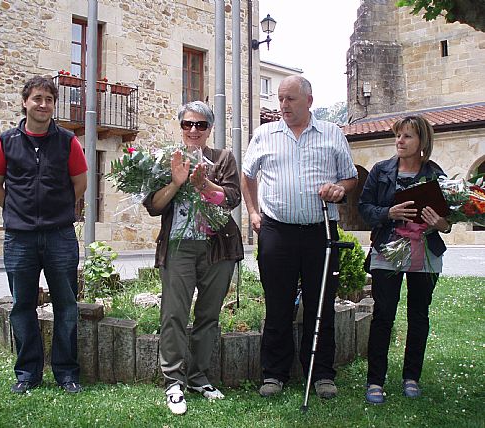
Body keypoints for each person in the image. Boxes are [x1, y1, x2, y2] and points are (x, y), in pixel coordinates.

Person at [241, 75, 358, 399]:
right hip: (277, 231)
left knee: (321, 304)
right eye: (280, 99)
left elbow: (350, 177)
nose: (283, 105)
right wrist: (253, 212)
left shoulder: (332, 134)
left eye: (290, 99)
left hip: (320, 232)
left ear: (309, 100)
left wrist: (339, 189)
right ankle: (274, 374)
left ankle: (321, 373)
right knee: (277, 304)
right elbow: (248, 174)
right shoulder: (265, 134)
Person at [0, 76, 88, 394]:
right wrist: (18, 213)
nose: (43, 104)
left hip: (60, 236)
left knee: (66, 306)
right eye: (37, 98)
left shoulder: (68, 142)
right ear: (25, 102)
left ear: (53, 105)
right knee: (22, 306)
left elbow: (80, 183)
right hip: (20, 238)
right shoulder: (5, 142)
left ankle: (66, 372)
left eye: (48, 99)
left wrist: (59, 212)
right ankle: (28, 373)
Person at [143, 101, 244, 415]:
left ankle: (199, 376)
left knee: (208, 315)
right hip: (178, 246)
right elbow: (153, 206)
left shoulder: (222, 158)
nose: (193, 130)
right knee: (174, 313)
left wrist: (204, 184)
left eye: (201, 125)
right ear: (181, 126)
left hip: (218, 247)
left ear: (210, 129)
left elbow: (231, 197)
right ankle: (174, 381)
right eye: (188, 124)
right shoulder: (167, 159)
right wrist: (176, 182)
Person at [359, 115, 450, 404]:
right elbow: (364, 207)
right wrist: (389, 213)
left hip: (426, 252)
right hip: (388, 249)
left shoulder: (435, 174)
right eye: (398, 135)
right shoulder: (381, 170)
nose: (400, 141)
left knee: (418, 316)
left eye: (408, 136)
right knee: (383, 315)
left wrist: (441, 223)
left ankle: (411, 377)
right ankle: (375, 381)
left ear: (422, 142)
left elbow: (451, 219)